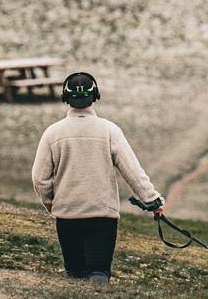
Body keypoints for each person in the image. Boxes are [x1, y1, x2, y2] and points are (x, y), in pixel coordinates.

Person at [31, 71, 165, 284]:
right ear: (95, 96)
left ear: (66, 98)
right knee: (99, 274)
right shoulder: (110, 131)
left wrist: (53, 204)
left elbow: (40, 179)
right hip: (102, 217)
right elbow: (132, 171)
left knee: (75, 274)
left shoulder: (52, 133)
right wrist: (152, 200)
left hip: (67, 216)